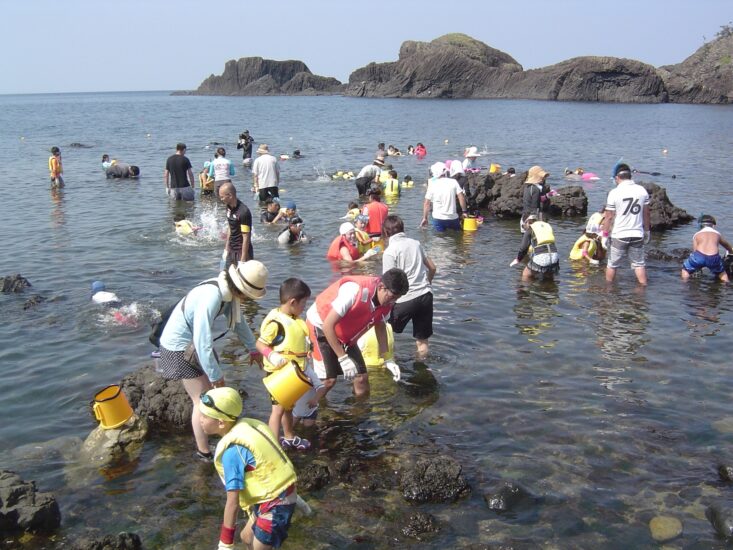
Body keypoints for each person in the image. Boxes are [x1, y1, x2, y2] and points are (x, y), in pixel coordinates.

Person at [159, 261, 267, 460]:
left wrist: (253, 349)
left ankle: (216, 434)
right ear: (241, 290)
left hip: (193, 346)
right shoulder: (212, 296)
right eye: (249, 296)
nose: (249, 300)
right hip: (178, 349)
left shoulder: (228, 293)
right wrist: (216, 375)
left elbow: (239, 323)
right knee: (201, 401)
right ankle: (203, 452)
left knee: (211, 395)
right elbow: (202, 341)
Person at [199, 387, 298, 550]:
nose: (200, 419)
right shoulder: (249, 426)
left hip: (278, 502)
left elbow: (232, 502)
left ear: (221, 422)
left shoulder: (232, 453)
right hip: (276, 494)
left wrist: (225, 543)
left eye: (205, 416)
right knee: (246, 537)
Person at [305, 269, 408, 398]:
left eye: (396, 299)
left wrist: (387, 359)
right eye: (392, 297)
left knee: (361, 378)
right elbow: (327, 325)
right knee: (328, 381)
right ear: (381, 287)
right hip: (320, 326)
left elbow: (380, 327)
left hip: (344, 333)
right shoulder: (354, 291)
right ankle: (308, 411)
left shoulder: (387, 302)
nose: (392, 302)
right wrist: (343, 358)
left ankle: (359, 414)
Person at [256, 278, 316, 450]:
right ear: (292, 302)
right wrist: (272, 355)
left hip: (292, 374)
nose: (304, 307)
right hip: (279, 374)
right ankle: (273, 446)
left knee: (288, 408)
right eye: (303, 303)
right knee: (278, 410)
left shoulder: (294, 319)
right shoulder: (276, 323)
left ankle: (289, 436)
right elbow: (260, 344)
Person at [382, 215, 436, 358]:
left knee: (384, 331)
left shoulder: (390, 251)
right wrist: (427, 283)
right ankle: (422, 367)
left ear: (386, 233)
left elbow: (388, 282)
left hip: (405, 300)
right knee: (422, 340)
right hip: (425, 296)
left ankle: (388, 363)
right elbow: (433, 268)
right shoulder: (416, 243)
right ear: (403, 229)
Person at [602, 162, 651, 285]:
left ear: (617, 178)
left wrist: (604, 235)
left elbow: (608, 217)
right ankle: (642, 292)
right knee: (639, 264)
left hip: (619, 234)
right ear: (630, 176)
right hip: (637, 233)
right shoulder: (642, 190)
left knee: (612, 264)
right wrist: (647, 231)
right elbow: (646, 214)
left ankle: (608, 291)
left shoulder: (614, 192)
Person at [681, 215, 732, 282]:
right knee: (722, 273)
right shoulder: (717, 234)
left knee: (685, 270)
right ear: (713, 226)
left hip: (699, 256)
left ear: (700, 226)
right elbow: (727, 246)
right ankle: (726, 285)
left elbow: (695, 251)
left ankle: (685, 283)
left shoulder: (697, 234)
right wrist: (731, 252)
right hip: (713, 258)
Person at [510, 215, 560, 281]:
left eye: (523, 226)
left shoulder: (530, 229)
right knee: (548, 276)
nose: (524, 228)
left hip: (542, 257)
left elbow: (523, 248)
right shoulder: (545, 226)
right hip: (554, 256)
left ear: (527, 222)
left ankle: (524, 290)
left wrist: (518, 259)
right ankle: (549, 288)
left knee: (526, 274)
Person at [420, 162, 467, 232]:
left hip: (438, 218)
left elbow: (426, 203)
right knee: (457, 239)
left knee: (439, 240)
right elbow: (461, 197)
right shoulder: (453, 182)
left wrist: (425, 218)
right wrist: (464, 211)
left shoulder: (432, 184)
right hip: (453, 218)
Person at [219, 182, 254, 269]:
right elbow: (230, 227)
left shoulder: (243, 212)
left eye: (222, 197)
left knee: (242, 279)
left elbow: (246, 236)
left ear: (230, 195)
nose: (221, 199)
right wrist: (226, 249)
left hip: (242, 251)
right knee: (225, 274)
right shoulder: (228, 207)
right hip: (231, 249)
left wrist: (242, 260)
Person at [521, 166, 550, 230]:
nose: (544, 178)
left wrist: (548, 195)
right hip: (530, 219)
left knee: (526, 238)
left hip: (526, 216)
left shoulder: (528, 187)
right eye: (543, 177)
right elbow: (535, 206)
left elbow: (539, 199)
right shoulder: (535, 189)